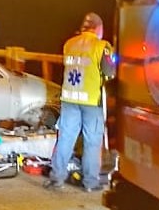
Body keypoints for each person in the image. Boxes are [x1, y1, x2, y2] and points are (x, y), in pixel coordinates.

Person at [44, 12, 115, 192]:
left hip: (69, 98)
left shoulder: (69, 44)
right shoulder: (102, 46)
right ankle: (90, 182)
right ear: (98, 29)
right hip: (92, 101)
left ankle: (56, 178)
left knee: (65, 138)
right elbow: (109, 72)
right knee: (92, 141)